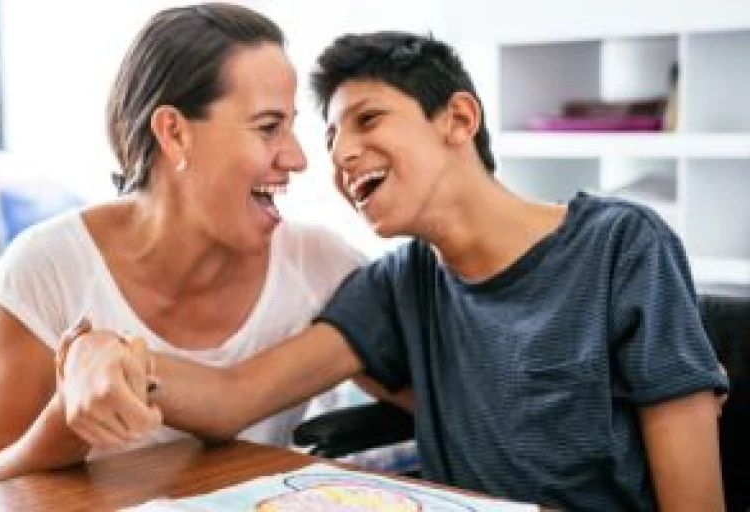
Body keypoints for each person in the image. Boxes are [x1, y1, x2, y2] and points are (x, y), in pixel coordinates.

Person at [59, 32, 729, 511]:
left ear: (458, 118)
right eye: (329, 139)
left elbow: (694, 503)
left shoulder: (623, 248)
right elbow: (233, 396)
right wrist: (106, 353)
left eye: (368, 119)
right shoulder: (401, 282)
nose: (341, 155)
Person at [0, 3, 389, 487]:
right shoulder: (49, 266)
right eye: (268, 127)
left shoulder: (320, 266)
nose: (298, 157)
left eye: (291, 126)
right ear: (174, 133)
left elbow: (427, 391)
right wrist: (68, 415)